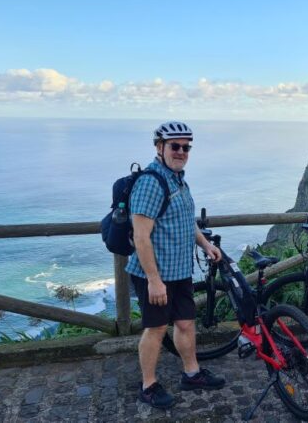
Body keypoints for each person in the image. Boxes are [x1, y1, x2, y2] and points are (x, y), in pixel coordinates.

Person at [126, 121, 226, 409]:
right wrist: (154, 280)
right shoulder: (151, 182)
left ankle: (192, 374)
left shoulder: (178, 179)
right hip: (155, 273)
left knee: (184, 322)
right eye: (175, 146)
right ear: (160, 147)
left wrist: (205, 245)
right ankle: (148, 385)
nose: (181, 152)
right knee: (156, 328)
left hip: (180, 271)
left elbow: (185, 221)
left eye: (186, 147)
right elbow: (141, 236)